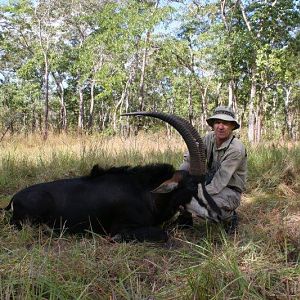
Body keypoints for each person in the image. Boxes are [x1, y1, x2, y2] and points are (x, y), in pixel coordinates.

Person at [179, 106, 247, 233]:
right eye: (217, 122)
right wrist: (179, 180)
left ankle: (229, 217)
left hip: (228, 190)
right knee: (179, 190)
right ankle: (185, 220)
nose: (220, 126)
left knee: (198, 204)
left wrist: (191, 193)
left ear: (232, 126)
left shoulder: (236, 149)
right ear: (212, 125)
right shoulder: (208, 138)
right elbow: (189, 158)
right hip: (209, 183)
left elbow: (218, 183)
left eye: (225, 123)